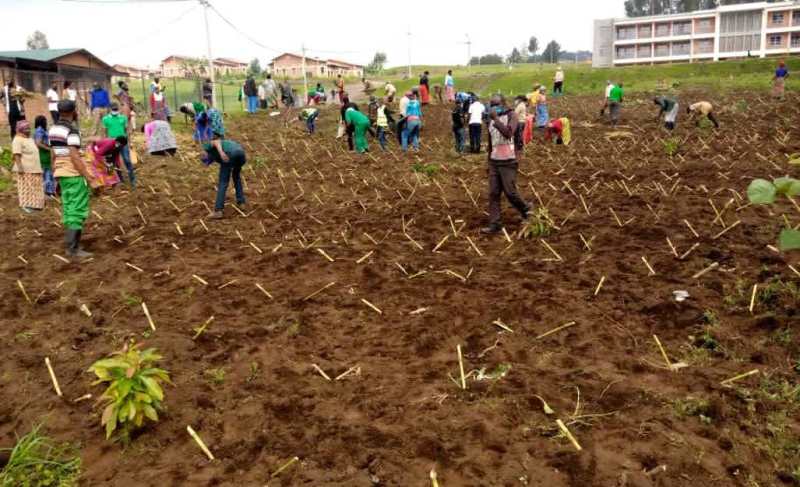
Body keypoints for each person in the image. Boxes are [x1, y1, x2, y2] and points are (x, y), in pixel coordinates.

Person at [50, 100, 96, 259]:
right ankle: (73, 248)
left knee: (69, 207)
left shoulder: (54, 129)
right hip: (73, 173)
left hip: (61, 173)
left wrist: (54, 173)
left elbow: (53, 153)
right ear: (73, 112)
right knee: (77, 209)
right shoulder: (72, 130)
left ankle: (72, 244)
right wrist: (87, 176)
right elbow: (74, 155)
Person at [482, 94, 529, 234]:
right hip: (494, 161)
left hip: (509, 160)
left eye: (496, 104)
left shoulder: (512, 115)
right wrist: (489, 161)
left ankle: (527, 210)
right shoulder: (490, 120)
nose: (493, 107)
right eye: (492, 105)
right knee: (493, 193)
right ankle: (495, 224)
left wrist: (496, 119)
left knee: (510, 192)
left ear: (503, 104)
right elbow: (491, 142)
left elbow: (508, 133)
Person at [201, 137, 246, 219]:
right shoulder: (216, 153)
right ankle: (241, 202)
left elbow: (216, 141)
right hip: (241, 154)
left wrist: (221, 153)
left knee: (223, 182)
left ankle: (218, 210)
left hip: (229, 153)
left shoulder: (206, 146)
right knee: (236, 177)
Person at [11, 120, 45, 213]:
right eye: (26, 129)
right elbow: (16, 154)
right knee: (26, 188)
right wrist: (20, 167)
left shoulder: (30, 139)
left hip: (35, 168)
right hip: (25, 169)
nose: (28, 130)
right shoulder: (17, 139)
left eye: (29, 128)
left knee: (36, 187)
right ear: (20, 129)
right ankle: (26, 205)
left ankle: (36, 205)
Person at [103, 102, 136, 188]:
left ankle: (132, 180)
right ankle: (120, 179)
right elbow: (105, 132)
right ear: (110, 109)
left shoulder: (123, 118)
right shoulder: (105, 119)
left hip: (122, 142)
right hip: (112, 143)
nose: (115, 111)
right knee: (115, 162)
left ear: (118, 109)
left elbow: (126, 130)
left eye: (116, 109)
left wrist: (130, 141)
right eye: (113, 109)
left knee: (127, 160)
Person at [34, 116, 56, 196]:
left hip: (45, 153)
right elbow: (38, 143)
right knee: (47, 171)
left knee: (48, 171)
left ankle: (49, 190)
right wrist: (48, 149)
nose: (46, 122)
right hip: (43, 153)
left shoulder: (42, 130)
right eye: (45, 121)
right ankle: (48, 191)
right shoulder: (39, 130)